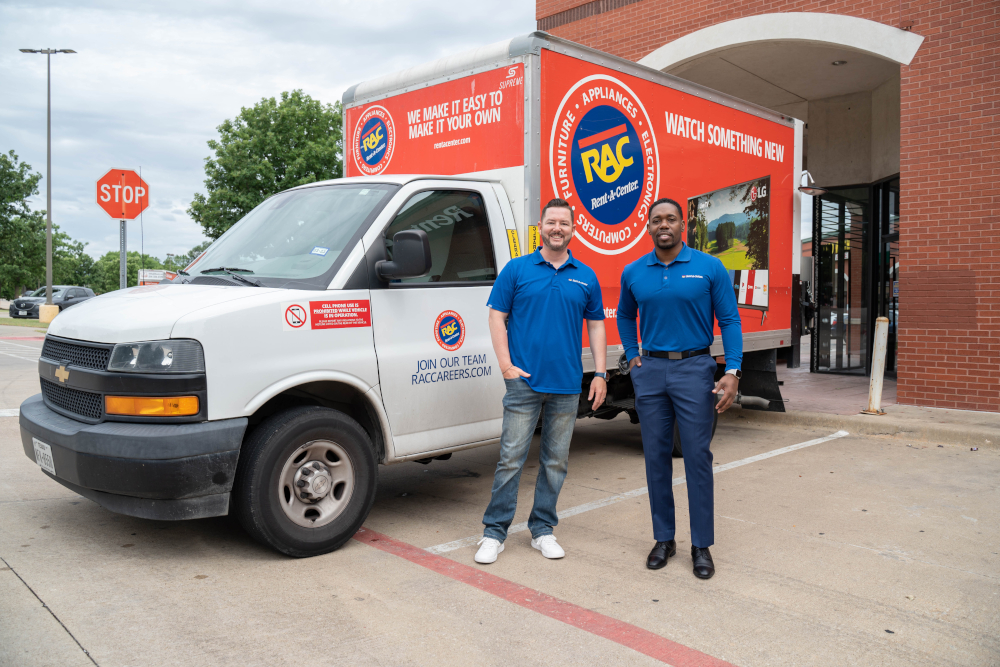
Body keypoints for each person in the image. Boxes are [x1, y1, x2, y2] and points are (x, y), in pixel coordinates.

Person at [474, 198, 607, 564]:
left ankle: (543, 530)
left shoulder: (586, 276)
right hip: (523, 383)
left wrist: (599, 372)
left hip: (567, 385)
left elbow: (596, 325)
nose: (558, 229)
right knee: (510, 460)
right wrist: (506, 366)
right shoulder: (516, 270)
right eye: (552, 222)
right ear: (541, 226)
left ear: (573, 229)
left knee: (555, 462)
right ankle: (494, 533)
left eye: (564, 223)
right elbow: (496, 317)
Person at [617, 198, 743, 579]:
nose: (663, 225)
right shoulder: (634, 271)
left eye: (670, 218)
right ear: (649, 227)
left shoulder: (709, 267)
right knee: (655, 457)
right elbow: (625, 314)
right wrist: (632, 354)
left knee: (696, 457)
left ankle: (701, 545)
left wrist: (733, 370)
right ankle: (664, 539)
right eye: (656, 220)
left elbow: (730, 319)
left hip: (694, 369)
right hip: (651, 371)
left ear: (682, 224)